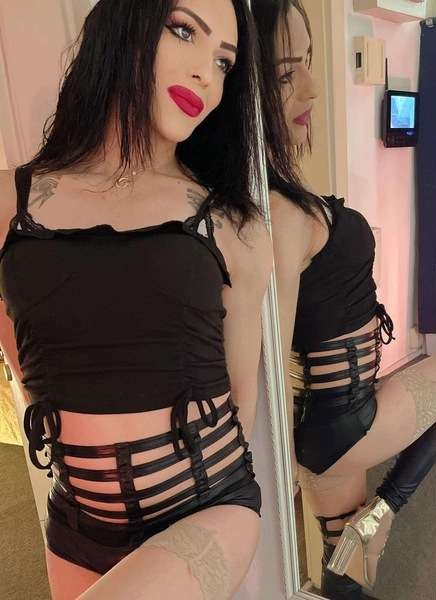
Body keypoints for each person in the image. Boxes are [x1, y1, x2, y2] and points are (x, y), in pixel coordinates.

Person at [0, 1, 272, 598]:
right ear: (123, 25)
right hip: (78, 522)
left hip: (209, 504)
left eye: (224, 62)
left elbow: (240, 399)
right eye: (184, 31)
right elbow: (28, 362)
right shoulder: (11, 201)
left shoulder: (233, 223)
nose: (207, 74)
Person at [252, 1, 436, 598]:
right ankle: (384, 510)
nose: (311, 86)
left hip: (326, 421)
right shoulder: (277, 212)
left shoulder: (268, 199)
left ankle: (365, 532)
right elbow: (265, 367)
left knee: (348, 568)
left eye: (307, 61)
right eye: (287, 72)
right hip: (343, 422)